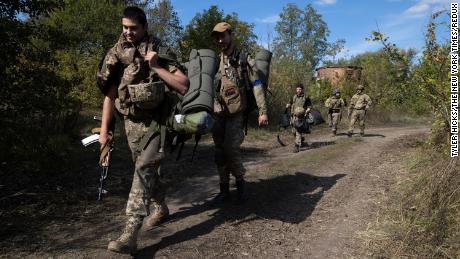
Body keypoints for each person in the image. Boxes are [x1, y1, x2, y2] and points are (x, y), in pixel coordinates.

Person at [96, 6, 189, 254]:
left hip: (159, 123)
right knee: (145, 171)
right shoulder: (116, 54)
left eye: (133, 28)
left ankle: (130, 233)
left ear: (145, 27)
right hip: (131, 124)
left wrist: (157, 66)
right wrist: (105, 131)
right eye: (124, 27)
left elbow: (183, 84)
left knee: (143, 168)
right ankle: (161, 205)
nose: (128, 32)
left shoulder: (158, 50)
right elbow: (110, 95)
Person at [211, 22, 269, 202]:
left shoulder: (243, 59)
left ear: (231, 35)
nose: (221, 40)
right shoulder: (215, 61)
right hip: (219, 113)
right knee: (219, 152)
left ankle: (241, 184)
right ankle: (224, 189)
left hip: (237, 113)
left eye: (223, 36)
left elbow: (257, 85)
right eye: (218, 37)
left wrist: (263, 111)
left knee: (231, 149)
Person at [286, 83, 312, 153]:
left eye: (300, 89)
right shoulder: (293, 97)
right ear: (296, 89)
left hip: (301, 117)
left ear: (302, 90)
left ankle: (296, 146)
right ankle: (301, 140)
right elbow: (290, 103)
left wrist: (308, 110)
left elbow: (309, 106)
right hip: (293, 116)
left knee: (298, 131)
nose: (298, 90)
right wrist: (288, 105)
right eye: (297, 89)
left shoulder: (306, 97)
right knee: (293, 131)